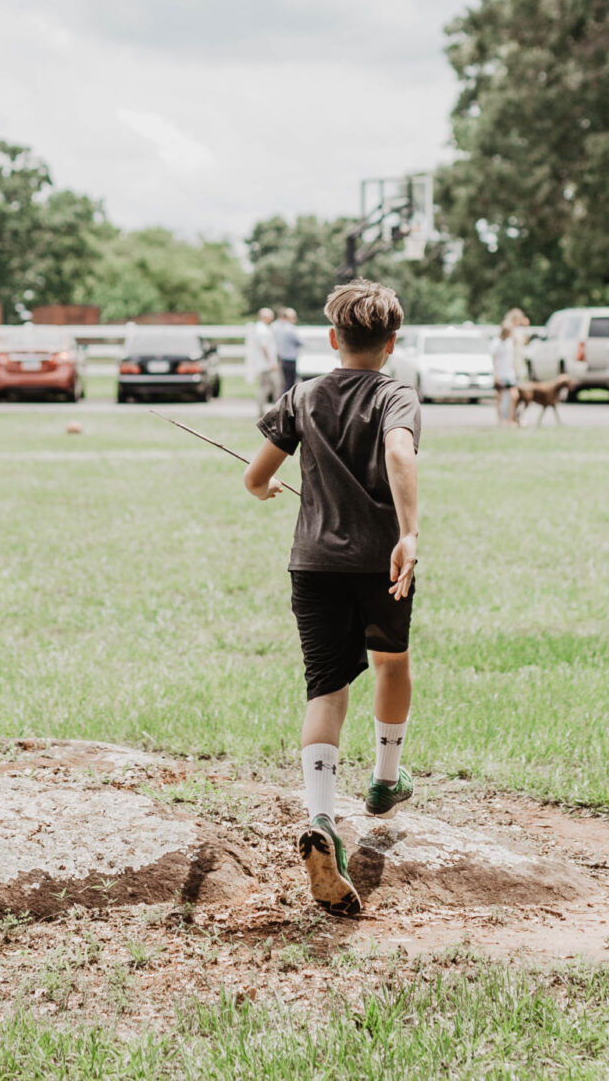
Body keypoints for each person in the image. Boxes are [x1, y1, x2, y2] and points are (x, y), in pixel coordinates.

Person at [244, 279, 421, 917]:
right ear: (391, 343)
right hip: (379, 562)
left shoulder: (303, 395)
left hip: (313, 564)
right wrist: (408, 532)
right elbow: (400, 451)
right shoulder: (396, 394)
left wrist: (268, 492)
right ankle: (383, 777)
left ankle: (322, 818)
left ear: (331, 339)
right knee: (391, 661)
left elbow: (256, 477)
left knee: (324, 687)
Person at [246, 307, 281, 416]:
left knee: (269, 387)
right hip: (266, 365)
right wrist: (271, 362)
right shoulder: (262, 329)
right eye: (270, 315)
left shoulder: (263, 328)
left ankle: (270, 409)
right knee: (270, 386)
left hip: (265, 364)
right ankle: (270, 410)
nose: (272, 318)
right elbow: (264, 347)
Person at [490, 319, 520, 427]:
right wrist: (495, 374)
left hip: (509, 374)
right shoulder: (495, 343)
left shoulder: (509, 343)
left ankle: (510, 419)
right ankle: (501, 420)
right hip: (500, 373)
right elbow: (493, 360)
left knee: (514, 395)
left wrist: (516, 371)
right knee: (499, 397)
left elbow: (512, 359)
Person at [274, 306, 302, 391]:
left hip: (283, 358)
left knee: (286, 382)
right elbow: (299, 341)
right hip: (290, 358)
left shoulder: (279, 328)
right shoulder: (290, 329)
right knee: (290, 383)